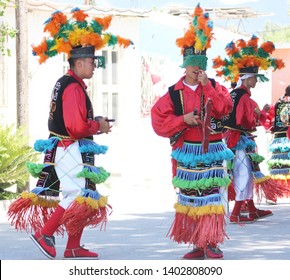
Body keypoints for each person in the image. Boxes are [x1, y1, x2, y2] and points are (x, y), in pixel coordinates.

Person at [7, 8, 133, 260]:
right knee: (76, 194)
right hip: (69, 147)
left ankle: (73, 246)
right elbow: (76, 127)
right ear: (78, 62)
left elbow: (74, 121)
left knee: (82, 194)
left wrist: (95, 123)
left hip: (63, 147)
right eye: (91, 61)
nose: (95, 66)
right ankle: (46, 233)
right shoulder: (73, 87)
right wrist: (98, 126)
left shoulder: (64, 83)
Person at [151, 4, 233, 260]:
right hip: (186, 152)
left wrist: (208, 87)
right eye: (193, 66)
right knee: (191, 197)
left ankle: (212, 241)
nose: (197, 70)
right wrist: (182, 120)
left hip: (213, 151)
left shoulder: (215, 87)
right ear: (184, 66)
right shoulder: (173, 94)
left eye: (201, 66)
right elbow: (158, 122)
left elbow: (224, 109)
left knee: (213, 197)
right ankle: (198, 243)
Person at [213, 35, 285, 223]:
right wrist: (258, 114)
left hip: (231, 139)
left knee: (246, 172)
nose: (256, 80)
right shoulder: (244, 97)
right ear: (247, 79)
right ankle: (237, 213)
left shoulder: (234, 94)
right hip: (240, 140)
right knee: (244, 173)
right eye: (254, 77)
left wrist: (258, 113)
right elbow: (245, 120)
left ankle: (251, 209)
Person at [263, 85, 290, 198]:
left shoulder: (278, 103)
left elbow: (267, 119)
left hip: (278, 138)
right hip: (287, 137)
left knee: (278, 166)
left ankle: (276, 191)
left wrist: (270, 128)